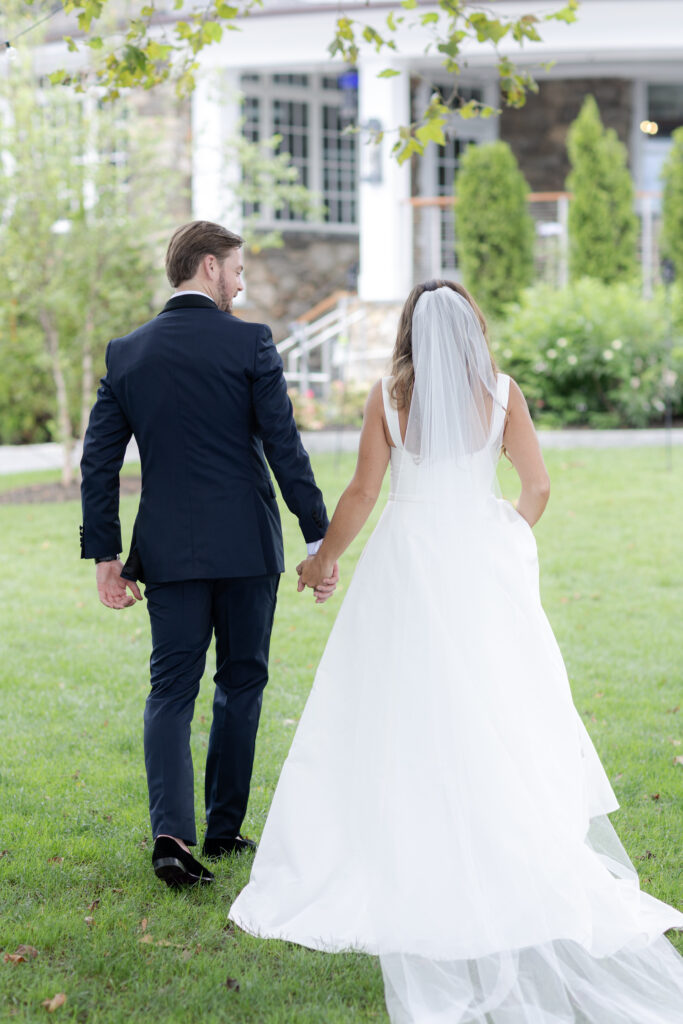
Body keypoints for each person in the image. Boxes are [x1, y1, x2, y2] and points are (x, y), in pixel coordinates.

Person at [229, 281, 683, 1022]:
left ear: (409, 328)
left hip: (405, 561)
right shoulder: (502, 393)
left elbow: (361, 493)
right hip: (479, 564)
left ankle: (394, 835)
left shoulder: (387, 395)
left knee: (392, 700)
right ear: (473, 328)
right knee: (493, 699)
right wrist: (504, 532)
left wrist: (320, 562)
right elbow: (534, 486)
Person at [80, 221, 337, 889]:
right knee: (241, 683)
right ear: (206, 266)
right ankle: (222, 830)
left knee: (170, 690)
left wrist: (105, 554)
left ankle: (172, 836)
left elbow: (98, 465)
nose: (242, 280)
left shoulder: (127, 354)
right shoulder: (249, 341)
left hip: (166, 551)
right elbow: (284, 445)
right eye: (236, 268)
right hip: (248, 546)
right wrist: (319, 538)